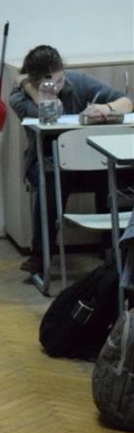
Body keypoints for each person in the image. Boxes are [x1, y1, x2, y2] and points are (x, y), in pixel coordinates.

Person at [8, 45, 133, 273]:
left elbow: (127, 101)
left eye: (59, 80)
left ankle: (113, 248)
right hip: (43, 161)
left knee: (110, 173)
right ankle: (42, 251)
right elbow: (50, 112)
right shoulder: (18, 97)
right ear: (33, 81)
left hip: (86, 161)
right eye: (47, 83)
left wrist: (104, 108)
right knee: (53, 178)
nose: (56, 87)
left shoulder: (77, 82)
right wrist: (35, 91)